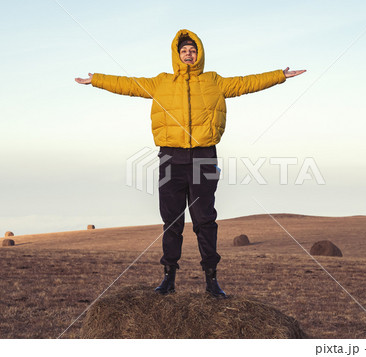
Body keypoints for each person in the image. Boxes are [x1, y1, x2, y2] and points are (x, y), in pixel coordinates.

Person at [75, 29, 305, 299]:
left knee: (205, 221)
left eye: (192, 50)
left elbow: (246, 83)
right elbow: (129, 84)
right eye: (184, 50)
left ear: (199, 54)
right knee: (171, 221)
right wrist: (97, 80)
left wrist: (279, 76)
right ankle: (168, 279)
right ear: (177, 54)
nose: (188, 54)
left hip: (204, 156)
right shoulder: (161, 83)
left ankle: (212, 281)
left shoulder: (214, 81)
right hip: (170, 158)